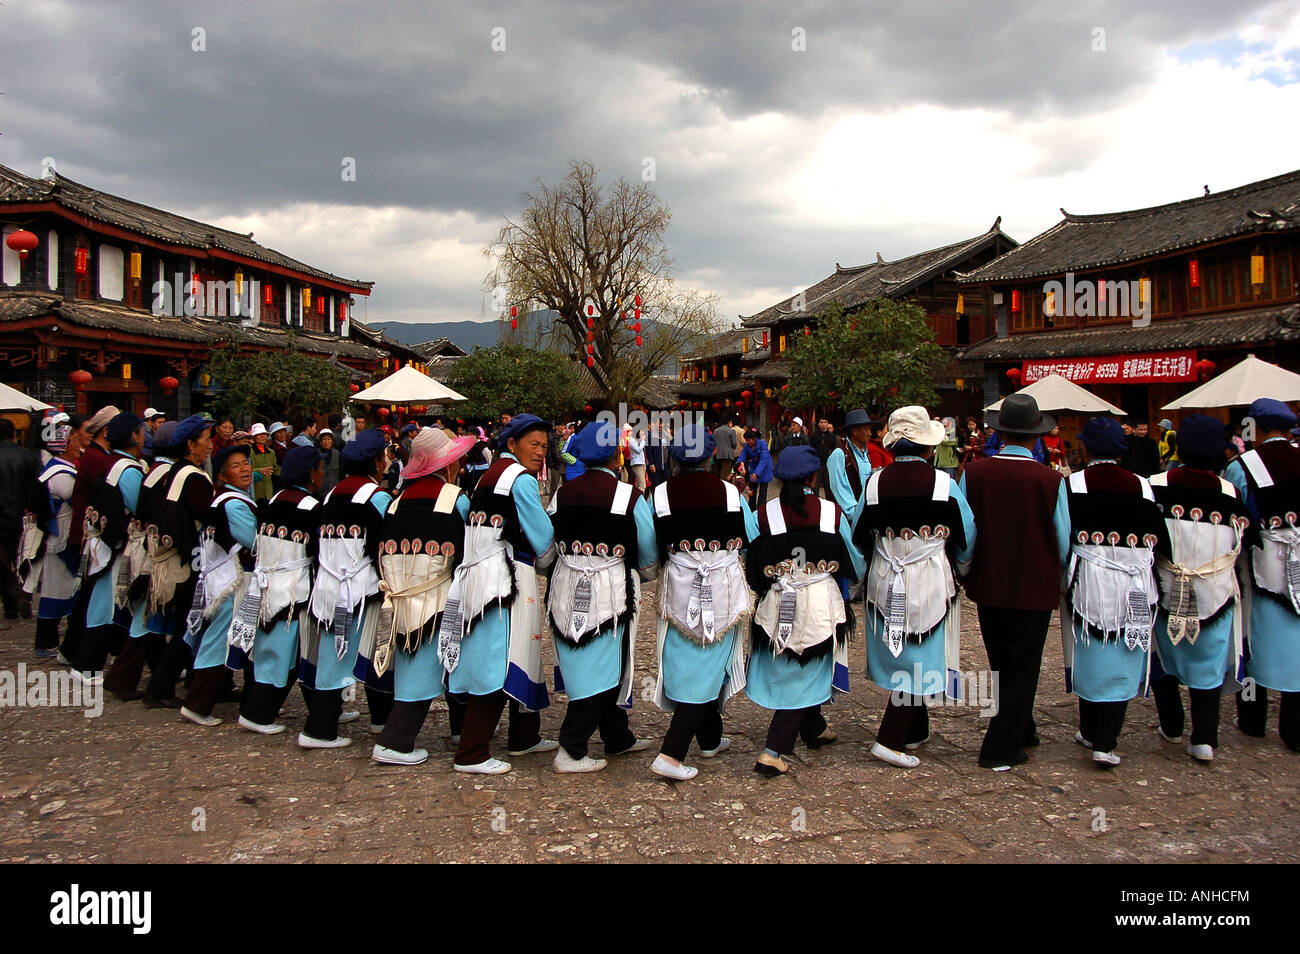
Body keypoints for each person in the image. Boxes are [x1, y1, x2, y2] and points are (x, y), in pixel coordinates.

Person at [854, 407, 976, 768]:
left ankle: (914, 727)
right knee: (922, 654)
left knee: (904, 652)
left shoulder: (874, 483)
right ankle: (890, 738)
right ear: (928, 448)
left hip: (887, 577)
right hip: (928, 578)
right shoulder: (944, 485)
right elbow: (966, 536)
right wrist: (963, 567)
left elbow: (859, 537)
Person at [438, 413, 557, 774]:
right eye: (534, 445)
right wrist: (552, 559)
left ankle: (525, 735)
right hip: (505, 578)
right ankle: (472, 752)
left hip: (478, 574)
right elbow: (541, 534)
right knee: (501, 655)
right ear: (511, 445)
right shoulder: (518, 479)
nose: (540, 453)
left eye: (545, 447)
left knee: (512, 651)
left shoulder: (488, 476)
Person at [960, 394, 1070, 771]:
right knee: (1024, 664)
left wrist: (965, 568)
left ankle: (1022, 725)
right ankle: (1000, 746)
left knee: (1002, 659)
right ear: (1036, 437)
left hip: (989, 580)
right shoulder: (1051, 481)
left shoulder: (974, 473)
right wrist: (1062, 576)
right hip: (1034, 583)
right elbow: (1063, 539)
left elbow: (967, 533)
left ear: (1000, 433)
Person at [543, 420, 658, 772]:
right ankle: (571, 747)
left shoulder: (562, 495)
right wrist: (646, 572)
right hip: (610, 587)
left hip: (566, 584)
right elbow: (649, 548)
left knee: (591, 659)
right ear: (616, 457)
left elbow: (547, 547)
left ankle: (617, 736)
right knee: (608, 660)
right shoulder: (629, 496)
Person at [648, 424, 757, 781]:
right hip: (721, 589)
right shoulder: (730, 493)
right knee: (710, 662)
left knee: (689, 659)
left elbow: (651, 548)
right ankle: (671, 753)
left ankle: (709, 738)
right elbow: (751, 536)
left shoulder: (659, 494)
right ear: (711, 455)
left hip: (679, 587)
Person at [362, 427, 477, 764]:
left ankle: (461, 728)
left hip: (400, 598)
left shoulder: (394, 504)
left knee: (420, 663)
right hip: (441, 596)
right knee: (442, 663)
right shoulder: (456, 501)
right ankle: (394, 741)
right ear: (447, 466)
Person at [745, 445, 862, 776]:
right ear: (814, 476)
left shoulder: (763, 515)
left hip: (779, 598)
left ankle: (814, 727)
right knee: (808, 665)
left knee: (795, 661)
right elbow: (854, 563)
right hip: (818, 599)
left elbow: (753, 564)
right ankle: (773, 750)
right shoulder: (831, 513)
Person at [1062, 417, 1168, 768]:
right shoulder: (1142, 486)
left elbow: (1063, 535)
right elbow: (1157, 532)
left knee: (1091, 646)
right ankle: (1106, 737)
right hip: (1134, 580)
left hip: (1090, 578)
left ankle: (1093, 730)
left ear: (1086, 449)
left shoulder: (1072, 485)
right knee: (1125, 649)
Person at [1149, 415, 1249, 762]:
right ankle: (1204, 736)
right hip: (1214, 589)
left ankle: (1172, 724)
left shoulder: (1155, 485)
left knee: (1162, 655)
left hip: (1165, 586)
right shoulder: (1230, 492)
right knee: (1208, 658)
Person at [301, 429, 393, 749]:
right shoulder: (377, 497)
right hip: (361, 589)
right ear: (378, 463)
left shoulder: (331, 495)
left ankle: (374, 718)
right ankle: (320, 729)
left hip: (329, 588)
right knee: (376, 652)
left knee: (334, 654)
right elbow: (386, 546)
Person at [230, 445, 324, 735]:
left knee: (296, 651)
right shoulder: (311, 508)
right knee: (287, 651)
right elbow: (318, 551)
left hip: (268, 585)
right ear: (311, 473)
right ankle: (258, 712)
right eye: (319, 469)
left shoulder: (273, 501)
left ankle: (321, 707)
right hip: (294, 586)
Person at [1225, 398, 1300, 751]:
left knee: (1253, 639)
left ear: (1255, 429)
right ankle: (1295, 726)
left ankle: (1253, 717)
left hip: (1261, 564)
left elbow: (1234, 515)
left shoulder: (1244, 466)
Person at [179, 443, 257, 726]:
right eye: (235, 466)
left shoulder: (224, 499)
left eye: (246, 463)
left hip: (221, 578)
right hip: (233, 581)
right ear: (223, 475)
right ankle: (197, 704)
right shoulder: (233, 504)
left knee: (240, 641)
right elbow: (254, 540)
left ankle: (252, 704)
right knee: (220, 640)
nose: (245, 468)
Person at [141, 415, 216, 708]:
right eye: (206, 439)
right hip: (191, 559)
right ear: (190, 443)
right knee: (193, 623)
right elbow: (207, 515)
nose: (210, 445)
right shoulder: (193, 476)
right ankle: (160, 686)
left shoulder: (176, 471)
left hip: (179, 556)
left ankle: (200, 680)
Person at [103, 420, 180, 700]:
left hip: (143, 545)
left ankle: (153, 675)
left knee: (150, 614)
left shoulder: (148, 469)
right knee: (149, 614)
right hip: (153, 550)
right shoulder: (158, 473)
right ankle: (123, 677)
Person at [71, 412, 146, 685]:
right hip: (116, 545)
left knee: (104, 604)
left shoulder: (111, 462)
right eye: (141, 431)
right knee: (106, 605)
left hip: (102, 541)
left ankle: (95, 662)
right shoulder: (128, 469)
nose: (144, 436)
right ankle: (87, 665)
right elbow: (141, 508)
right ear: (133, 436)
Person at [20, 414, 86, 657]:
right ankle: (46, 643)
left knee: (62, 589)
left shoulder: (61, 468)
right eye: (75, 441)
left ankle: (53, 641)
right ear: (64, 445)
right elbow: (76, 496)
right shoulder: (59, 474)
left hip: (61, 538)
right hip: (59, 540)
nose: (78, 444)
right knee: (56, 590)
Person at [0, 417, 40, 622]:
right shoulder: (29, 456)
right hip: (24, 517)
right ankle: (19, 594)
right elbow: (39, 486)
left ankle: (11, 602)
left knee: (3, 562)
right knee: (21, 557)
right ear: (14, 435)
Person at [826, 409, 876, 525]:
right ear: (854, 431)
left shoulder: (865, 453)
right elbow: (838, 488)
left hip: (865, 515)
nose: (870, 433)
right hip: (848, 520)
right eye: (866, 429)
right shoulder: (840, 454)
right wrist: (855, 515)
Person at [738, 427, 773, 507]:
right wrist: (740, 464)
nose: (747, 442)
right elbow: (743, 455)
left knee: (762, 492)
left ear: (754, 439)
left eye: (749, 440)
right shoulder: (747, 446)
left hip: (765, 469)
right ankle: (751, 508)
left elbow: (763, 461)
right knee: (752, 491)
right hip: (754, 467)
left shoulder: (763, 444)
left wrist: (756, 474)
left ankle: (760, 509)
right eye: (746, 440)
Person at [247, 423, 278, 503]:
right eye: (259, 434)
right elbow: (247, 470)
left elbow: (275, 469)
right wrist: (259, 470)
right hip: (255, 492)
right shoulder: (249, 451)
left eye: (264, 434)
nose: (262, 437)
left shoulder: (271, 452)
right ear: (254, 436)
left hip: (268, 493)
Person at [713, 417, 739, 482]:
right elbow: (734, 444)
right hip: (728, 455)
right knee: (725, 474)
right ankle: (724, 488)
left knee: (718, 472)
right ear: (728, 422)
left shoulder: (716, 431)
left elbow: (714, 443)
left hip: (718, 455)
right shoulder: (731, 431)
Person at [626, 425, 648, 496]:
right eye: (641, 432)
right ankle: (639, 501)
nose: (642, 434)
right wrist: (643, 441)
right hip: (637, 464)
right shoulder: (631, 440)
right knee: (642, 484)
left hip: (642, 463)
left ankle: (638, 500)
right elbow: (638, 450)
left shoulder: (638, 440)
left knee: (639, 483)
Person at [317, 428, 341, 495]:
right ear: (320, 442)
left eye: (329, 439)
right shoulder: (316, 454)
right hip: (320, 492)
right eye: (324, 439)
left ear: (332, 441)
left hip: (334, 491)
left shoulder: (337, 454)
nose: (326, 442)